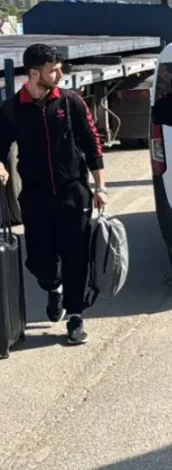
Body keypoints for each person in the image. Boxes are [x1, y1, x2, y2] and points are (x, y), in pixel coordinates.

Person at [0, 44, 108, 345]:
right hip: (35, 196)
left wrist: (100, 187)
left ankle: (75, 316)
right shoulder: (11, 109)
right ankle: (53, 286)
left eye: (59, 67)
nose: (59, 73)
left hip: (73, 192)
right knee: (39, 260)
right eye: (52, 70)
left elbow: (91, 143)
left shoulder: (71, 102)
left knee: (76, 256)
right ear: (35, 74)